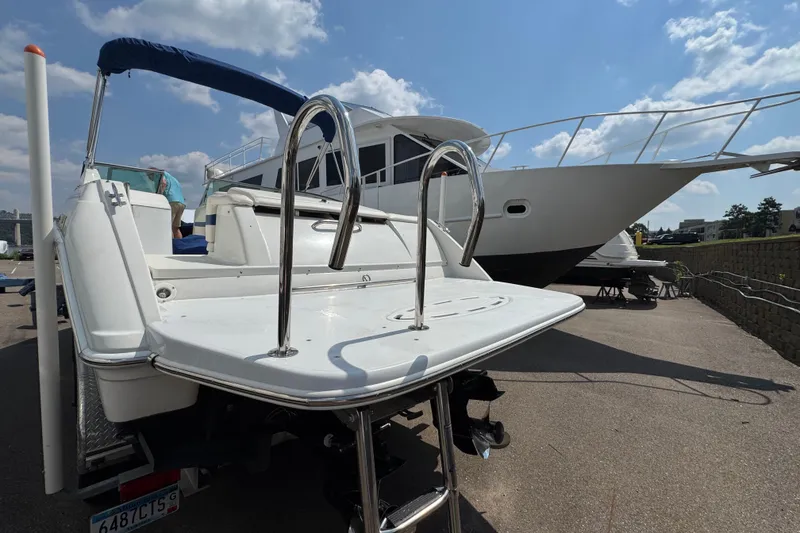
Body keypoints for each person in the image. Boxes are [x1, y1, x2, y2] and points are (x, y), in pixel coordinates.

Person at [149, 167, 186, 238]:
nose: (149, 178)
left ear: (153, 173)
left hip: (171, 201)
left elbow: (163, 183)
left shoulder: (160, 175)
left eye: (149, 176)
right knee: (175, 228)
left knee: (168, 227)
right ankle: (179, 246)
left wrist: (158, 197)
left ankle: (170, 247)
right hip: (181, 203)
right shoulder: (173, 178)